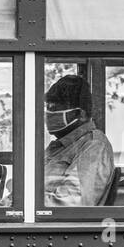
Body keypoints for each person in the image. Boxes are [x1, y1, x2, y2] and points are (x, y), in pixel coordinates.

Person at [44, 75, 114, 207]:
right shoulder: (59, 147)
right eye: (48, 107)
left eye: (55, 109)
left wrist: (27, 200)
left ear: (80, 114)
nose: (48, 114)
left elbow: (72, 203)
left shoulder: (94, 146)